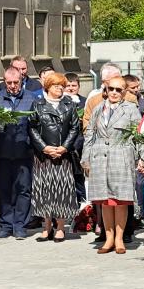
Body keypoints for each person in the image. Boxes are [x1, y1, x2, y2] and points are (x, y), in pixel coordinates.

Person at [82, 76, 144, 254]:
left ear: (124, 92)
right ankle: (108, 238)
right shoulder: (97, 109)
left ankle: (119, 238)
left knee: (120, 201)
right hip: (99, 158)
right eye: (111, 89)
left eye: (119, 90)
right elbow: (90, 135)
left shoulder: (131, 109)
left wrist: (143, 158)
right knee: (105, 202)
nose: (115, 93)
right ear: (106, 90)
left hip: (121, 156)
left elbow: (138, 135)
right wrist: (85, 159)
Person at [28, 73, 80, 242]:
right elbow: (32, 128)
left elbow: (74, 127)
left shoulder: (69, 104)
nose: (60, 88)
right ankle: (47, 226)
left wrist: (64, 147)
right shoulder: (37, 104)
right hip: (44, 155)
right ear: (48, 87)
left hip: (62, 155)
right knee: (44, 190)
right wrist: (44, 147)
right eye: (56, 85)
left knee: (62, 190)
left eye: (62, 86)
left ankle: (60, 227)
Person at [0, 67, 35, 239]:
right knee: (5, 190)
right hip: (3, 154)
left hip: (24, 154)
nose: (13, 86)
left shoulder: (30, 98)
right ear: (4, 81)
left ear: (22, 80)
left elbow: (35, 127)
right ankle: (6, 225)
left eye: (16, 82)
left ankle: (20, 225)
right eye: (9, 83)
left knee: (24, 190)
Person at [123, 74, 144, 229]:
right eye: (133, 88)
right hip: (126, 149)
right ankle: (131, 214)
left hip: (139, 149)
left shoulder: (143, 104)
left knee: (139, 183)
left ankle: (142, 213)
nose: (137, 90)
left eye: (138, 86)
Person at [64, 72, 87, 205]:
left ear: (78, 86)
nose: (71, 88)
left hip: (79, 147)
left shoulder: (84, 102)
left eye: (74, 85)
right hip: (64, 147)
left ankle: (82, 206)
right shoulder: (60, 102)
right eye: (68, 85)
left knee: (79, 178)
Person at [83, 62, 122, 131]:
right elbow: (87, 124)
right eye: (114, 79)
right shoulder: (93, 99)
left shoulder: (129, 97)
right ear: (104, 81)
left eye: (119, 78)